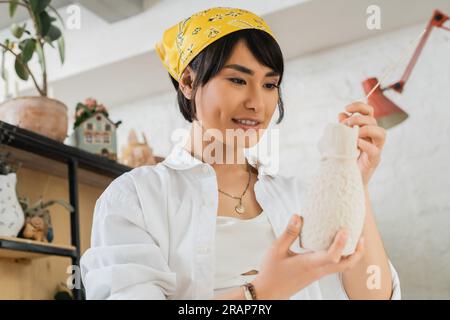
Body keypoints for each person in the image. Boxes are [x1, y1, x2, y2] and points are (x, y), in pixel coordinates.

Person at [80, 7, 401, 300]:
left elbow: (373, 295)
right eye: (237, 79)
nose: (256, 103)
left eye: (269, 85)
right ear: (188, 82)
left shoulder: (300, 196)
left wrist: (356, 184)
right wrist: (260, 292)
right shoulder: (135, 197)